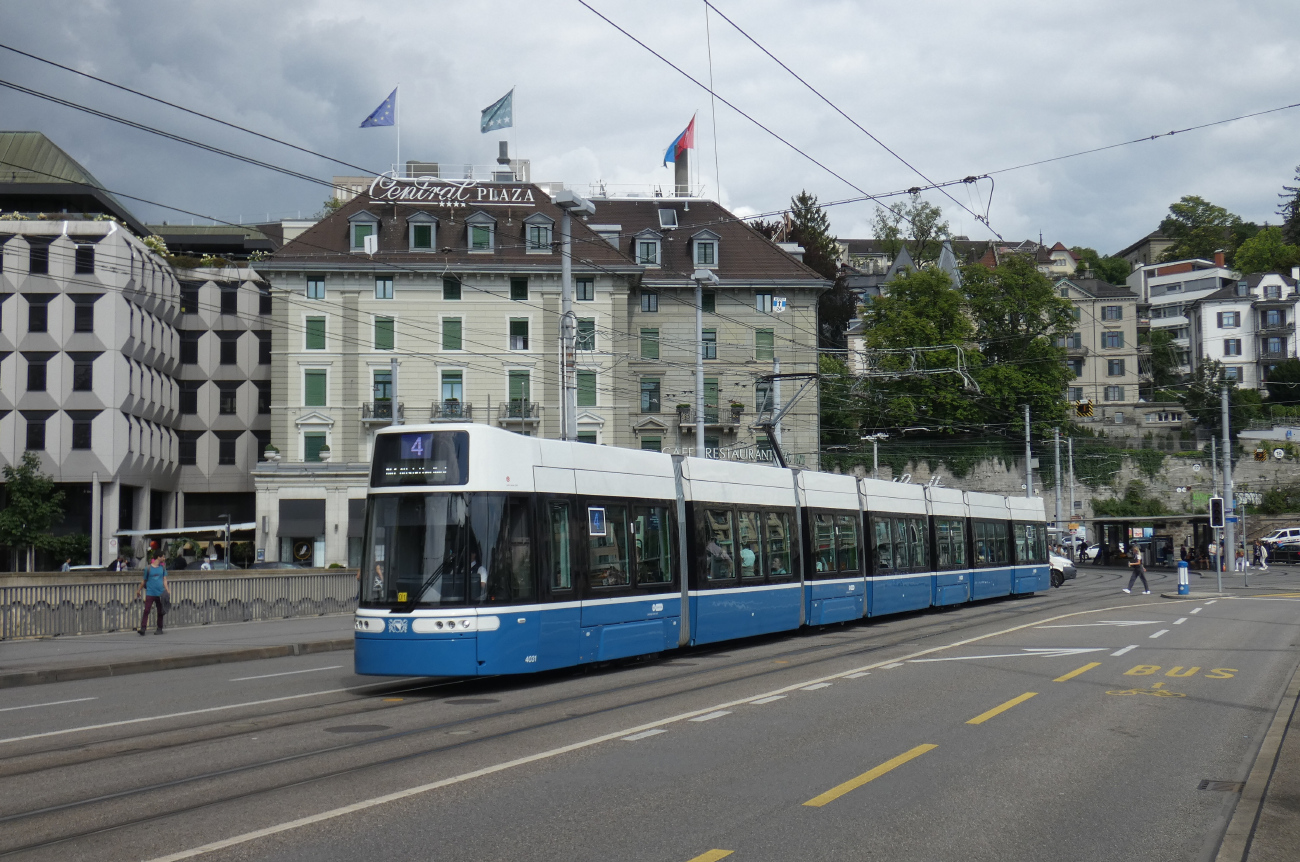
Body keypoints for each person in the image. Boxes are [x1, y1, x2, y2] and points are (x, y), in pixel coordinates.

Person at [135, 555, 169, 635]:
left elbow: (165, 579)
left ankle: (159, 628)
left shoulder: (163, 568)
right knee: (146, 610)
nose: (164, 558)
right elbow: (144, 580)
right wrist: (139, 590)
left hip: (160, 592)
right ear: (158, 557)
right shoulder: (148, 568)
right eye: (163, 557)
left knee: (160, 611)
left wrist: (167, 590)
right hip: (150, 592)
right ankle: (143, 628)